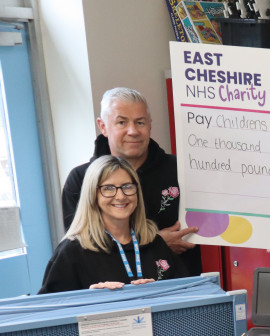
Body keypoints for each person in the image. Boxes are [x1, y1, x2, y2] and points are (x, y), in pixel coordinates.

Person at [61, 87, 200, 274]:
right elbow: (81, 247)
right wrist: (156, 245)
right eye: (121, 122)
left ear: (150, 125)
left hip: (181, 289)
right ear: (103, 126)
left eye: (140, 122)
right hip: (112, 292)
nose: (133, 131)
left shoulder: (182, 170)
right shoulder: (81, 179)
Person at [39, 156, 188, 294]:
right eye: (108, 188)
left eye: (127, 186)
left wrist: (159, 292)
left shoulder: (154, 243)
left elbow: (186, 295)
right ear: (92, 195)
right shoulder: (71, 252)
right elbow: (48, 314)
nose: (121, 196)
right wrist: (88, 298)